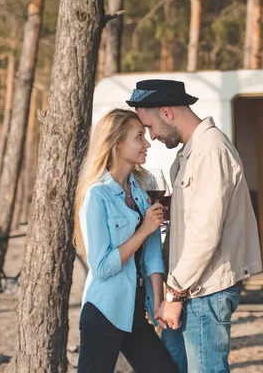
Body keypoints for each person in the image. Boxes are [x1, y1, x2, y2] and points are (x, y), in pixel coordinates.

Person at [126, 80, 263, 373]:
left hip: (205, 289)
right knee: (168, 366)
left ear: (167, 112)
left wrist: (174, 294)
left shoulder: (209, 151)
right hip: (191, 286)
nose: (152, 136)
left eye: (150, 127)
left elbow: (205, 234)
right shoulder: (192, 151)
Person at [74, 108, 179, 373]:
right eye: (139, 137)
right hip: (104, 311)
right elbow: (102, 267)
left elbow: (153, 252)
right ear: (117, 143)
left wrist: (157, 299)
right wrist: (143, 230)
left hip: (136, 311)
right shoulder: (97, 196)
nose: (147, 143)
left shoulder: (141, 192)